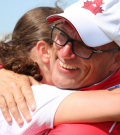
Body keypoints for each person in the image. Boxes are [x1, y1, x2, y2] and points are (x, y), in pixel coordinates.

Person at [1, 0, 120, 134]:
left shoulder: (82, 129)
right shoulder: (25, 93)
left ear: (116, 59)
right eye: (62, 34)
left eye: (85, 46)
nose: (64, 52)